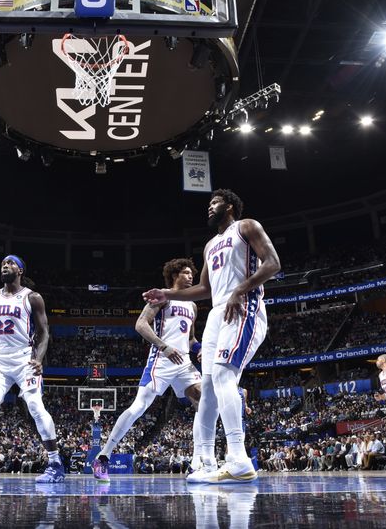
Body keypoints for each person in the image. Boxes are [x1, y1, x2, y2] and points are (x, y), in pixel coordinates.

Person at [143, 189, 281, 483]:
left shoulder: (247, 227)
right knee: (208, 388)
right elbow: (204, 289)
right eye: (208, 203)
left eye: (214, 203)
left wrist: (240, 290)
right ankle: (205, 462)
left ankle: (239, 458)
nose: (209, 207)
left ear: (229, 206)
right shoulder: (209, 246)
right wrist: (166, 293)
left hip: (244, 306)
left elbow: (273, 263)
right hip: (219, 312)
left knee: (222, 376)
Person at [93, 259, 203, 482]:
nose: (191, 277)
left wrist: (200, 349)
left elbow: (190, 338)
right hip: (161, 359)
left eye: (192, 273)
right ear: (174, 275)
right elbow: (141, 324)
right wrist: (163, 345)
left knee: (204, 400)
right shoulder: (161, 296)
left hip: (183, 362)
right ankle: (103, 457)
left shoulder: (192, 305)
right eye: (185, 273)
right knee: (140, 407)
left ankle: (199, 461)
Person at [0, 255, 65, 483]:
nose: (5, 265)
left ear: (20, 270)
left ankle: (55, 464)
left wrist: (39, 358)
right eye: (2, 264)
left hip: (25, 359)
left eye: (10, 263)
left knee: (35, 406)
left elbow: (45, 332)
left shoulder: (32, 298)